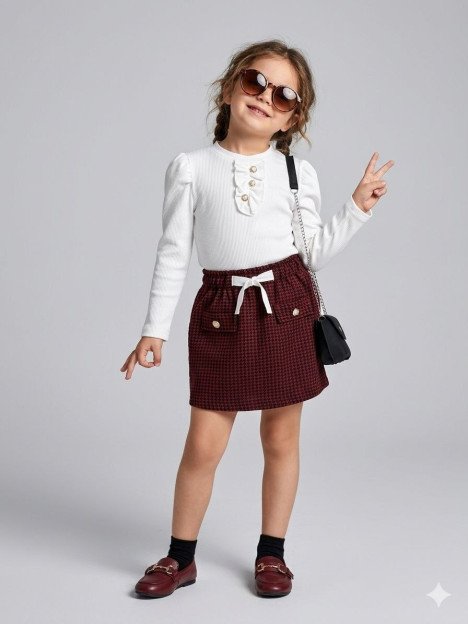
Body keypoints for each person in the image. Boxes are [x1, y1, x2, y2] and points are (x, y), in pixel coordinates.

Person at [120, 39, 394, 599]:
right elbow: (173, 251)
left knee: (280, 438)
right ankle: (180, 558)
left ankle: (273, 554)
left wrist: (357, 208)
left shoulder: (297, 172)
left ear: (293, 117)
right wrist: (154, 328)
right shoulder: (191, 168)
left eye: (284, 95)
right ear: (229, 88)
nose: (267, 97)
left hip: (286, 305)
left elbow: (311, 254)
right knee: (204, 444)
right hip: (221, 312)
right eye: (256, 82)